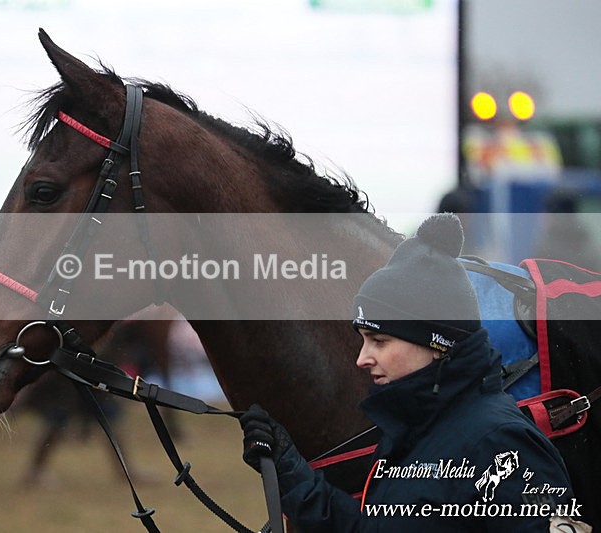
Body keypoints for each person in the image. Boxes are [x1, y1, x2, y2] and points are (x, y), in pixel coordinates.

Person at [240, 214, 582, 531]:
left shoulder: (501, 443)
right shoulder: (411, 428)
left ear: (437, 342)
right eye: (363, 341)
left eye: (379, 340)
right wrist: (289, 470)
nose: (362, 358)